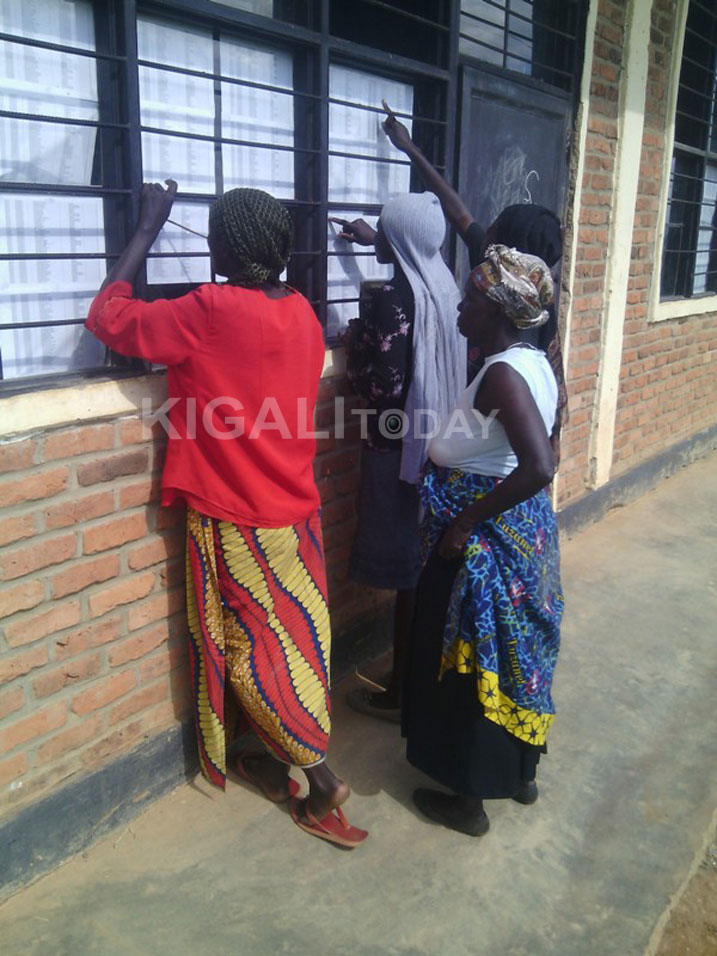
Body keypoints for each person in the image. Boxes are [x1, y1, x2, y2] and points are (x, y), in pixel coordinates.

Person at [85, 180, 367, 849]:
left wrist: (148, 226)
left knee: (249, 656)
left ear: (230, 249)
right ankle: (264, 758)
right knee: (295, 641)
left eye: (214, 237)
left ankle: (321, 780)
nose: (207, 246)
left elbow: (108, 316)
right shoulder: (301, 312)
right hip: (295, 513)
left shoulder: (209, 310)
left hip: (236, 519)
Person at [402, 244, 564, 837]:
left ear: (496, 309)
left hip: (484, 541)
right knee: (516, 652)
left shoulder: (503, 373)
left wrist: (466, 522)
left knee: (470, 658)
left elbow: (539, 464)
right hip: (517, 528)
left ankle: (467, 801)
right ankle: (519, 774)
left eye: (469, 300)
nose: (459, 308)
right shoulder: (531, 359)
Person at [339, 101, 568, 461]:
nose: (485, 234)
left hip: (482, 446)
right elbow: (457, 212)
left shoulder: (522, 344)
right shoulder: (498, 274)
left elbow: (540, 452)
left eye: (495, 232)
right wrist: (387, 237)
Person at [334, 192, 466, 721]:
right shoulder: (444, 283)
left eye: (385, 231)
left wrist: (354, 349)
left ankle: (400, 691)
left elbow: (384, 384)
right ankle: (418, 676)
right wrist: (380, 240)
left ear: (401, 240)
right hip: (438, 438)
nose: (378, 238)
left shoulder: (392, 297)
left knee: (407, 570)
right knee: (424, 560)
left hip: (396, 444)